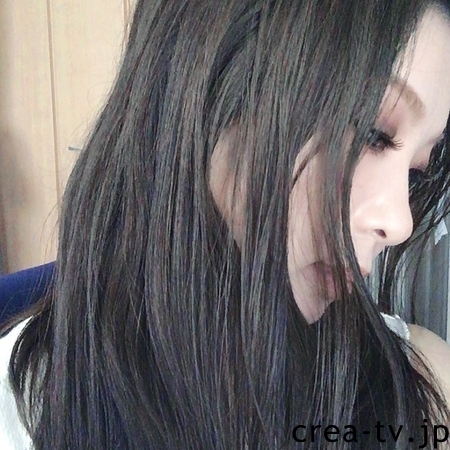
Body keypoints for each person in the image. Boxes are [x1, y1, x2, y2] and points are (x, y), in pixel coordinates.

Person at [1, 0, 450, 448]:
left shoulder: (418, 390)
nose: (400, 222)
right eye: (372, 133)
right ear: (215, 72)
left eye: (414, 172)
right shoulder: (25, 408)